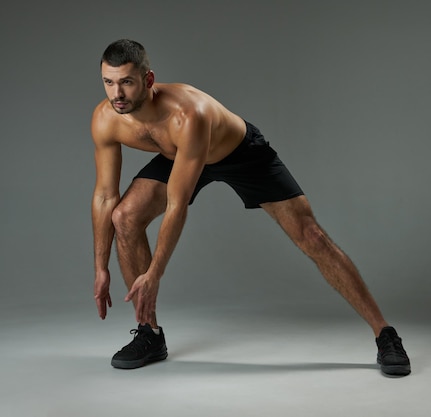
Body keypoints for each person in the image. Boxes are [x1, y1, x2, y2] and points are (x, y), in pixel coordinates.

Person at [91, 39, 410, 377]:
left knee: (312, 236)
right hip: (178, 156)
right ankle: (149, 334)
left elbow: (176, 204)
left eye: (126, 81)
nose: (117, 94)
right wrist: (100, 268)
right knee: (124, 216)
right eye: (108, 82)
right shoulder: (105, 118)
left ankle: (384, 333)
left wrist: (154, 274)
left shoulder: (188, 115)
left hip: (240, 154)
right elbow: (104, 196)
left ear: (149, 80)